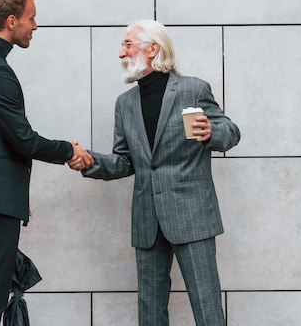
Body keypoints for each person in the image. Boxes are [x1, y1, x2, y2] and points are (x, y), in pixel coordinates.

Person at [75, 20, 240, 326]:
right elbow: (125, 161)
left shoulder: (193, 89)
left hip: (193, 217)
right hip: (148, 221)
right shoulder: (125, 104)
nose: (121, 53)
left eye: (127, 45)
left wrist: (211, 132)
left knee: (207, 307)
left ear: (152, 48)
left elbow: (231, 131)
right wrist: (91, 163)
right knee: (150, 311)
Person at [0, 0, 93, 326]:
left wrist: (13, 193)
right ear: (12, 21)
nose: (36, 25)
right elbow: (23, 140)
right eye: (31, 17)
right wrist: (69, 150)